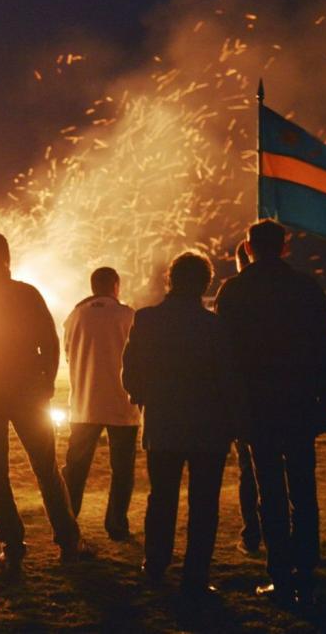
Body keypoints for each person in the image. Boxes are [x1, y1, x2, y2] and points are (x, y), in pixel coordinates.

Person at [215, 219, 326, 605]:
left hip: (257, 407)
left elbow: (223, 355)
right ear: (285, 247)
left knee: (269, 488)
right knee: (303, 485)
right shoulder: (306, 288)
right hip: (300, 403)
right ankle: (306, 565)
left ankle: (280, 570)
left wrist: (229, 406)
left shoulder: (234, 290)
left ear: (249, 249)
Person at [0, 232, 88, 574]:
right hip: (28, 391)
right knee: (46, 467)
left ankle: (12, 545)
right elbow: (49, 340)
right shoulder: (26, 294)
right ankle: (68, 540)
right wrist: (46, 382)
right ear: (7, 257)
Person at [121, 252, 239, 598]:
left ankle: (155, 564)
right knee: (204, 503)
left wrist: (143, 396)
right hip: (208, 428)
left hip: (164, 424)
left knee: (162, 498)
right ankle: (196, 573)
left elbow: (130, 372)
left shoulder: (146, 320)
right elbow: (228, 378)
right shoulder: (215, 326)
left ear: (170, 280)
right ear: (205, 283)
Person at [60, 266, 138, 542]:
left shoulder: (75, 316)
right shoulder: (128, 315)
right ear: (115, 285)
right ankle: (116, 524)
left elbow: (68, 355)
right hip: (122, 403)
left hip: (84, 402)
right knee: (122, 469)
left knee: (77, 468)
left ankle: (68, 523)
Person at [223, 241, 262, 557]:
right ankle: (299, 545)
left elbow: (220, 348)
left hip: (247, 397)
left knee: (250, 471)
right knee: (297, 475)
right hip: (290, 398)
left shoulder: (231, 291)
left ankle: (253, 536)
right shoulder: (300, 287)